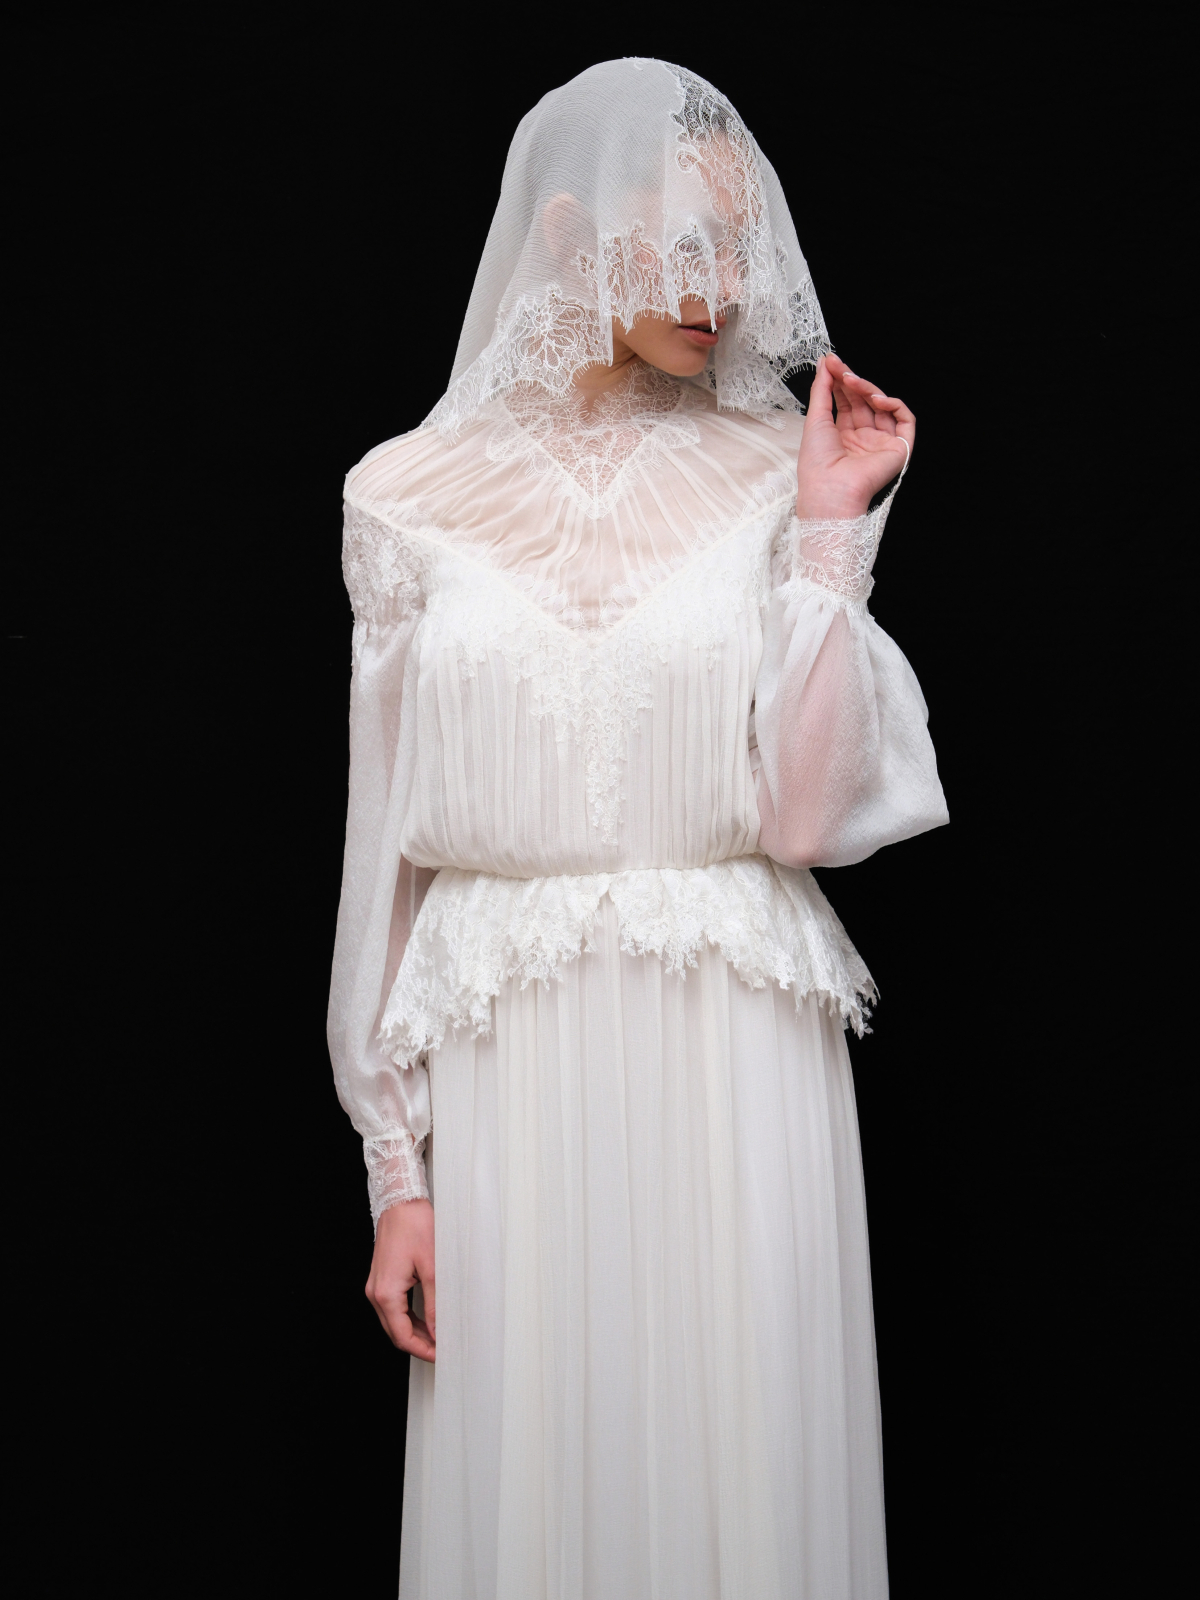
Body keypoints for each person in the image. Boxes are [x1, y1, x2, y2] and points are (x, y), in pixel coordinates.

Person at [328, 57, 947, 1599]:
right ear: (565, 231)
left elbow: (806, 816)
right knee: (539, 1487)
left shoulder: (768, 476)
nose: (721, 287)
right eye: (687, 240)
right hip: (512, 1070)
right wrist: (396, 1169)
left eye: (741, 246)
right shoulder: (405, 495)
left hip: (735, 1054)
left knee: (745, 1473)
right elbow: (383, 846)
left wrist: (830, 535)